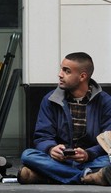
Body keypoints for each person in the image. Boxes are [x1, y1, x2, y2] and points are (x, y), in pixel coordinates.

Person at [17, 52, 111, 185]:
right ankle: (88, 177)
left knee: (108, 160)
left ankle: (48, 176)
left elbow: (108, 140)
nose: (60, 74)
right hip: (60, 160)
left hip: (91, 159)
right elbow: (42, 136)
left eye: (67, 71)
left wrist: (88, 154)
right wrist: (51, 149)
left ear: (82, 76)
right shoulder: (50, 99)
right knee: (28, 155)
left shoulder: (105, 102)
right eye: (61, 69)